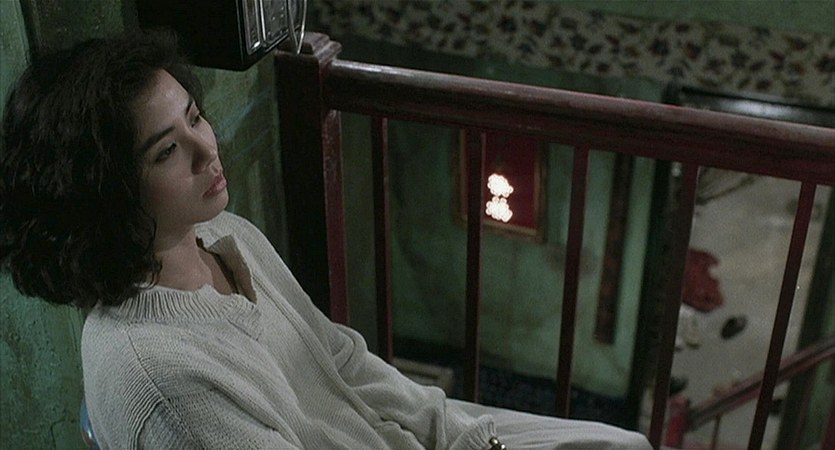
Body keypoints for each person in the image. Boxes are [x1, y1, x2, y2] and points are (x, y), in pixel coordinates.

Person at [1, 31, 651, 449]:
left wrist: (461, 436)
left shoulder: (222, 234)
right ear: (108, 192)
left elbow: (340, 357)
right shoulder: (166, 384)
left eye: (195, 117)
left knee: (621, 445)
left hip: (388, 433)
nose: (207, 149)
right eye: (167, 150)